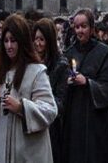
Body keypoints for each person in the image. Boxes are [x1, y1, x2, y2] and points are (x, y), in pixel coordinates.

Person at [0, 15, 57, 163]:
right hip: (1, 146)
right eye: (6, 41)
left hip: (28, 150)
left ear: (22, 42)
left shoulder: (37, 72)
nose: (9, 46)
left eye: (13, 40)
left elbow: (50, 110)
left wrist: (21, 107)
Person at [63, 9, 108, 163]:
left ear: (92, 28)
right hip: (74, 118)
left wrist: (87, 82)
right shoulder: (68, 53)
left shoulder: (104, 53)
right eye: (77, 27)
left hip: (96, 120)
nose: (80, 30)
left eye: (84, 26)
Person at [33, 18, 68, 163]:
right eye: (35, 39)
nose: (37, 43)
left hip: (51, 127)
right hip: (32, 123)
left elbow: (60, 101)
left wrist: (41, 105)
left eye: (41, 39)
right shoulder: (31, 63)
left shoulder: (60, 65)